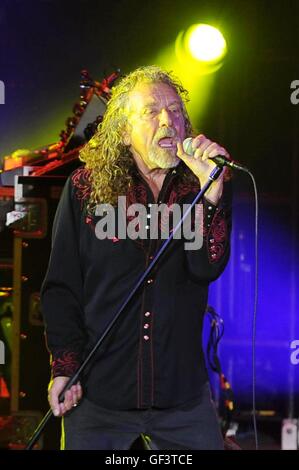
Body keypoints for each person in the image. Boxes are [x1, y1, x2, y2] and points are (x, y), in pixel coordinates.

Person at [42, 65, 232, 450]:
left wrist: (210, 196)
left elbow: (206, 268)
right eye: (152, 112)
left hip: (181, 396)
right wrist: (64, 367)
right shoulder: (86, 189)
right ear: (124, 132)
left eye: (176, 111)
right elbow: (62, 287)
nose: (168, 121)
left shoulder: (203, 184)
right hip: (100, 393)